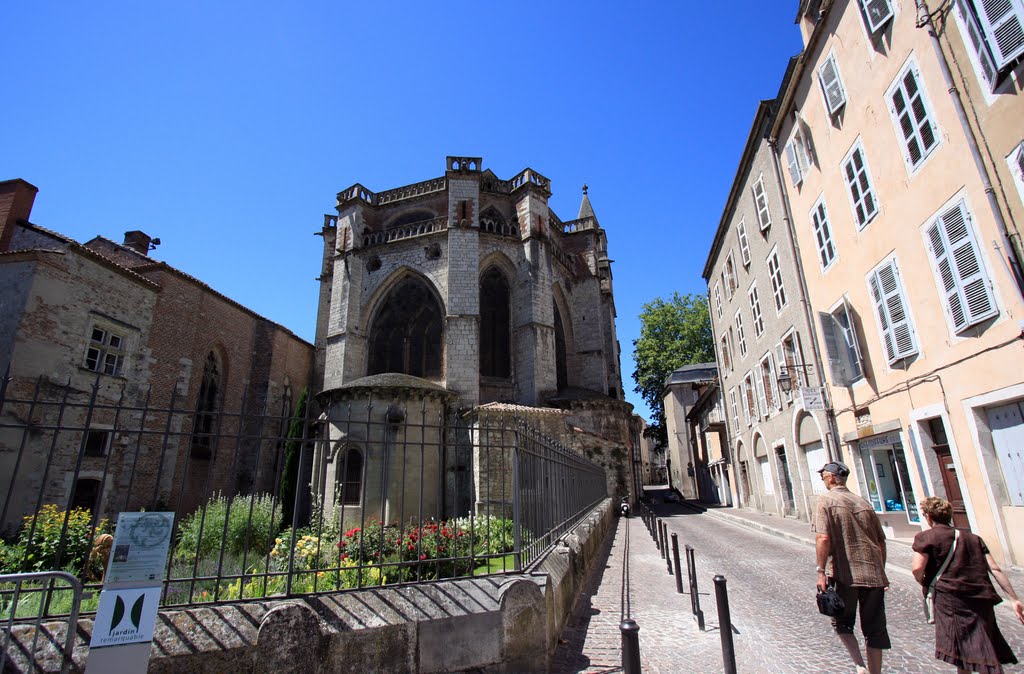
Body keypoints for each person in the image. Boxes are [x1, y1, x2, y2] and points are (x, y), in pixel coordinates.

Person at [911, 496, 1023, 674]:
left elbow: (917, 568)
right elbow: (995, 568)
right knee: (965, 652)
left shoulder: (926, 537)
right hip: (980, 598)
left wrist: (923, 581)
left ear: (929, 517)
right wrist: (1014, 598)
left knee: (975, 650)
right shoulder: (972, 538)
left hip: (951, 600)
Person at [813, 461, 890, 674]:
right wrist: (881, 571)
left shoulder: (826, 500)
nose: (822, 480)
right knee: (875, 630)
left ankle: (859, 666)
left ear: (831, 478)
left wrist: (820, 571)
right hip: (874, 575)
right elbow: (881, 542)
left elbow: (823, 537)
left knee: (842, 622)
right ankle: (875, 672)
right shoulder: (863, 502)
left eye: (823, 476)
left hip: (844, 574)